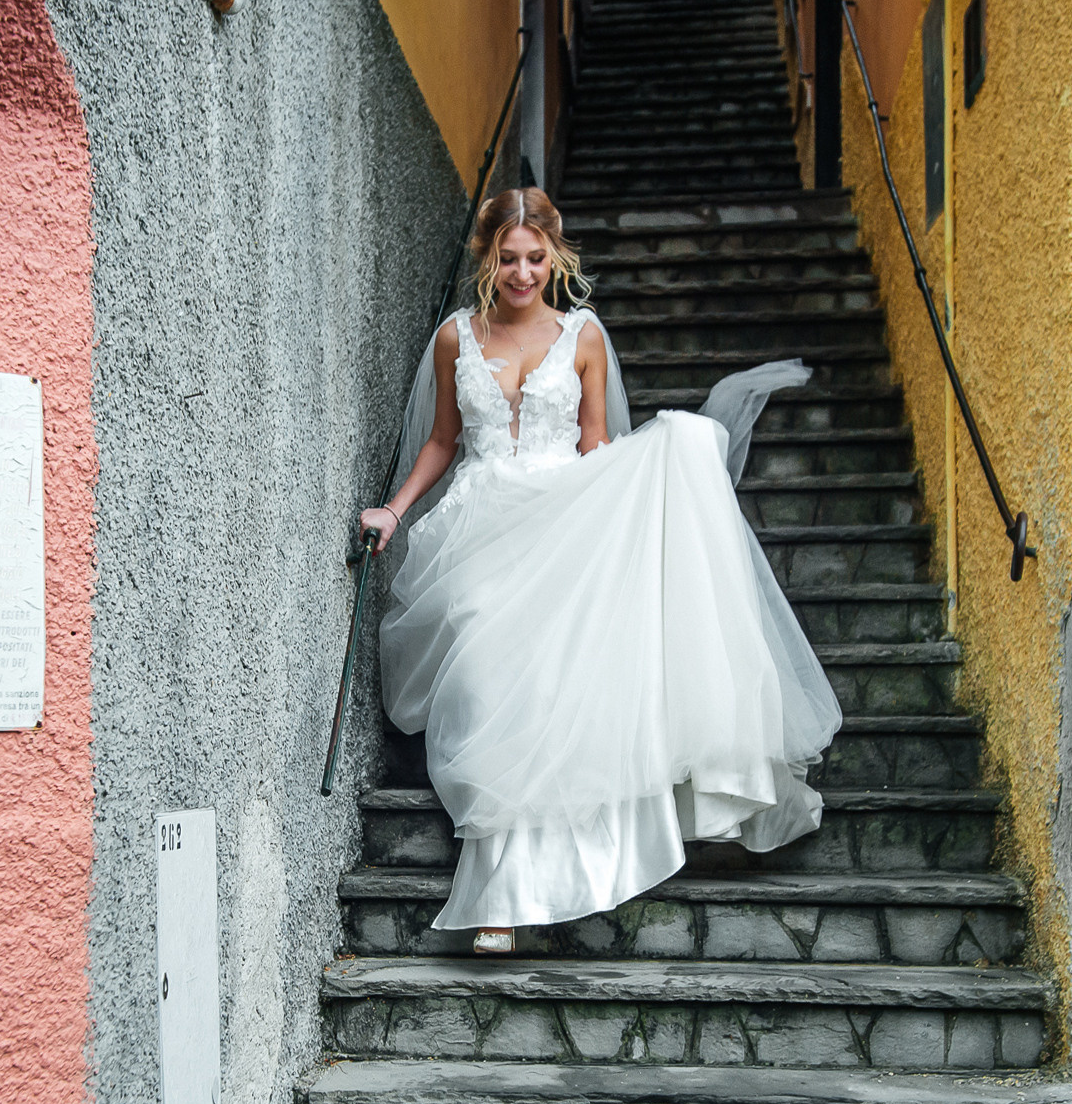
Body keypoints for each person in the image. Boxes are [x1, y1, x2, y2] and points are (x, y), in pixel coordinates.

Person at [360, 189, 842, 956]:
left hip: (564, 520)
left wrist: (654, 472)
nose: (523, 273)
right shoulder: (455, 337)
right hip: (479, 529)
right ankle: (505, 864)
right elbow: (444, 442)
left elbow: (596, 444)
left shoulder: (583, 336)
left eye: (535, 258)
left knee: (549, 691)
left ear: (555, 257)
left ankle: (501, 897)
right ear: (488, 258)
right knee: (484, 676)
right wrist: (394, 509)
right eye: (508, 258)